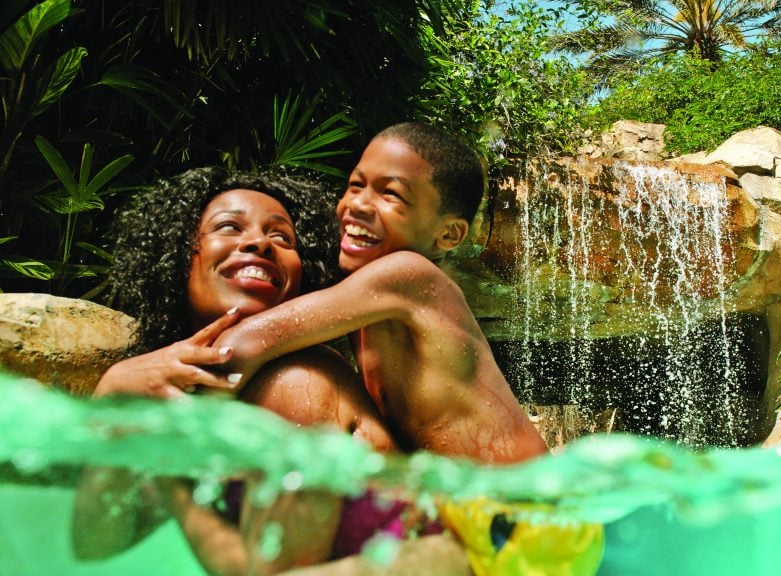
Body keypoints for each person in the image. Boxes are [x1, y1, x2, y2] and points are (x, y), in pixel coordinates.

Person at [213, 123, 603, 574]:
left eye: (390, 194)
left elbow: (246, 344)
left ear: (449, 236)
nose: (357, 204)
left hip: (531, 524)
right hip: (473, 521)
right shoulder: (366, 303)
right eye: (355, 184)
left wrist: (141, 387)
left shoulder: (408, 277)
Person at [73, 167, 411, 575]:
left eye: (282, 237)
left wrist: (172, 482)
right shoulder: (190, 389)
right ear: (180, 257)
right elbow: (97, 542)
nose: (258, 243)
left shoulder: (295, 378)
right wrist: (113, 393)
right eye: (229, 227)